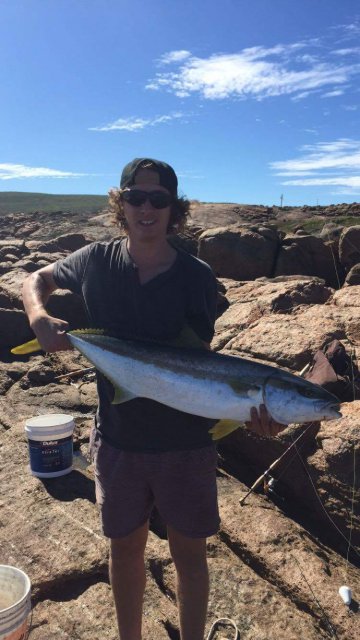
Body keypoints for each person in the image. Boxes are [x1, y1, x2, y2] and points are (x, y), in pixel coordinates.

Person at [22, 158, 285, 640]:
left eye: (158, 199)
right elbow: (33, 280)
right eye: (135, 198)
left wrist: (246, 415)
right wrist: (39, 317)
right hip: (119, 440)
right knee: (123, 549)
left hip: (185, 446)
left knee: (191, 556)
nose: (146, 208)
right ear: (120, 204)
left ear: (174, 209)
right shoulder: (94, 260)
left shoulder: (196, 276)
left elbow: (199, 366)